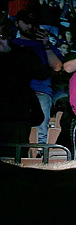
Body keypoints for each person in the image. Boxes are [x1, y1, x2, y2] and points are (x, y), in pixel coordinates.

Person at [0, 16, 52, 157]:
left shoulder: (23, 54)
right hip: (14, 114)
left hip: (17, 115)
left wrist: (9, 52)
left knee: (14, 160)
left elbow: (42, 74)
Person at [11, 10, 63, 146]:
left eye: (33, 24)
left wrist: (46, 44)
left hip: (41, 91)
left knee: (41, 128)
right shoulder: (11, 44)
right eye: (26, 22)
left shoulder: (46, 46)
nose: (30, 26)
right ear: (17, 23)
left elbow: (57, 66)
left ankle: (39, 158)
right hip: (14, 92)